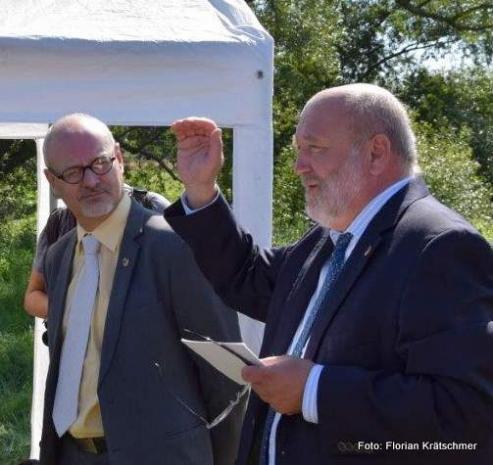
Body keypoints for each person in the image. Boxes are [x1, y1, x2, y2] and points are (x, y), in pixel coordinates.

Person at [164, 83, 493, 465]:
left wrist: (313, 390)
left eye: (314, 148)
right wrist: (201, 190)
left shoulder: (439, 247)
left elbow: (466, 411)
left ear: (376, 152)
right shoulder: (332, 237)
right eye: (298, 151)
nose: (299, 166)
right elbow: (247, 275)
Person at [39, 113, 244, 465]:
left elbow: (227, 379)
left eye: (100, 164)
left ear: (119, 157)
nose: (91, 181)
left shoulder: (178, 246)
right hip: (70, 454)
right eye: (73, 172)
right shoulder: (59, 257)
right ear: (52, 181)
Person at [24, 185, 170, 319]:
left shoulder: (152, 207)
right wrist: (72, 311)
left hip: (143, 340)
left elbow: (185, 284)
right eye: (73, 171)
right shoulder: (60, 222)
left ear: (117, 161)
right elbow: (33, 296)